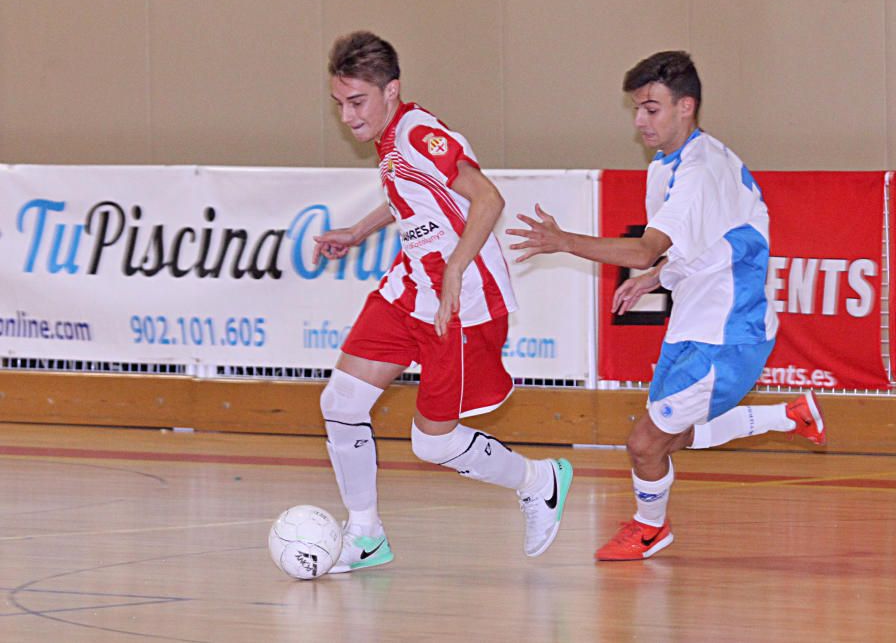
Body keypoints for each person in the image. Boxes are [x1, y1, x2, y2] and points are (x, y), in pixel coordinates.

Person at [507, 51, 825, 561]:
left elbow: (642, 247)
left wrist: (564, 240)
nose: (639, 121)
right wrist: (656, 276)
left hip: (727, 330)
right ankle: (787, 418)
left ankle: (650, 527)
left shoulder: (697, 174)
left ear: (686, 107)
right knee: (667, 433)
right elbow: (704, 243)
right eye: (636, 108)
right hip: (695, 319)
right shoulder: (675, 163)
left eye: (651, 108)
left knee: (646, 442)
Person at [312, 31, 572, 573]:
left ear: (391, 91)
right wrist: (360, 230)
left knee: (432, 444)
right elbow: (409, 193)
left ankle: (538, 480)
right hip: (409, 288)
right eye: (340, 104)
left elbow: (487, 198)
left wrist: (454, 268)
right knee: (340, 403)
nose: (348, 118)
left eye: (357, 102)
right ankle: (365, 535)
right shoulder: (391, 143)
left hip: (460, 303)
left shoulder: (418, 132)